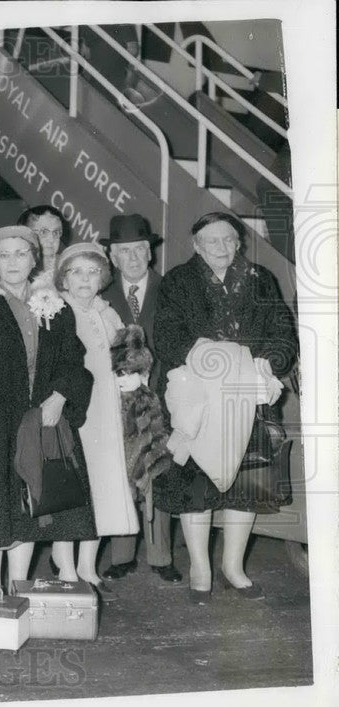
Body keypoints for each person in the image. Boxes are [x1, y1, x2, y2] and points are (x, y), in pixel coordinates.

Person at [152, 211, 298, 603]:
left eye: (229, 240)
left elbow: (283, 332)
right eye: (212, 241)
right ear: (196, 245)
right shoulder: (177, 282)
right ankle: (200, 568)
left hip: (246, 396)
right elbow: (164, 334)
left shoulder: (259, 279)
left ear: (239, 243)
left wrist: (271, 360)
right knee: (196, 488)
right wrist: (197, 349)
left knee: (246, 487)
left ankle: (233, 568)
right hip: (198, 402)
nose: (222, 248)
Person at [0, 226, 97, 588]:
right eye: (4, 254)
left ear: (34, 258)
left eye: (21, 253)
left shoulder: (55, 306)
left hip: (39, 419)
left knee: (28, 506)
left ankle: (18, 587)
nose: (13, 261)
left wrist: (59, 396)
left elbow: (74, 360)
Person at [54, 242, 140, 603]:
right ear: (64, 277)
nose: (85, 279)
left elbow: (125, 358)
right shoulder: (55, 309)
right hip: (74, 412)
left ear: (103, 276)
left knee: (101, 490)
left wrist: (133, 377)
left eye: (92, 272)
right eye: (76, 272)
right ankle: (65, 567)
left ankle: (88, 565)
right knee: (69, 489)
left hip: (107, 413)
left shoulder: (108, 313)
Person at [99, 214, 182, 584]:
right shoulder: (100, 295)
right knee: (121, 471)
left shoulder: (171, 289)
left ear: (149, 253)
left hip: (161, 396)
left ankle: (161, 556)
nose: (132, 257)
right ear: (112, 257)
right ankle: (121, 554)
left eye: (138, 249)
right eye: (123, 251)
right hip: (115, 400)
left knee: (157, 470)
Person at [18, 204, 67, 278]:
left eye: (56, 232)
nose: (51, 239)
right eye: (43, 232)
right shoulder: (12, 269)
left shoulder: (68, 267)